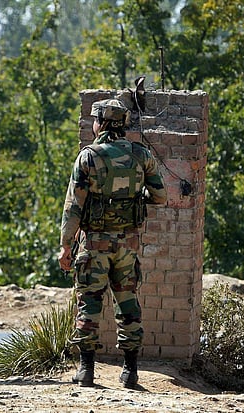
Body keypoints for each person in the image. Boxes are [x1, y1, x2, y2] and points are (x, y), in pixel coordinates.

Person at [58, 98, 167, 389]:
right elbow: (160, 196)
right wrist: (133, 200)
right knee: (128, 302)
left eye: (95, 120)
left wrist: (65, 246)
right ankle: (130, 371)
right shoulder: (141, 154)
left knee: (89, 303)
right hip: (127, 245)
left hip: (94, 244)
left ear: (102, 123)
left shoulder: (88, 157)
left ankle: (86, 370)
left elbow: (74, 207)